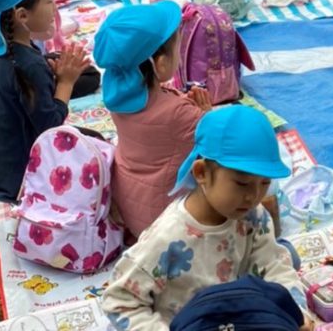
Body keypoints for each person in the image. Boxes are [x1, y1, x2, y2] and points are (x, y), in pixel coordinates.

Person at [101, 105, 312, 331]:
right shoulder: (167, 240)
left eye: (264, 183)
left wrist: (296, 312)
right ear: (201, 173)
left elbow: (273, 266)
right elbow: (119, 301)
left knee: (286, 254)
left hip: (238, 312)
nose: (253, 196)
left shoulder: (254, 217)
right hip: (192, 324)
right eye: (242, 183)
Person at [0, 0, 90, 202]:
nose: (54, 5)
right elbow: (50, 128)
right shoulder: (29, 65)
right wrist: (66, 82)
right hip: (17, 184)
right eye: (48, 0)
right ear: (22, 15)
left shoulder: (1, 51)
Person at [94, 2, 212, 239]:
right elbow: (218, 140)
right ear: (160, 64)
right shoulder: (180, 114)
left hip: (128, 205)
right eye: (177, 47)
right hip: (162, 222)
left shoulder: (118, 95)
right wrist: (206, 113)